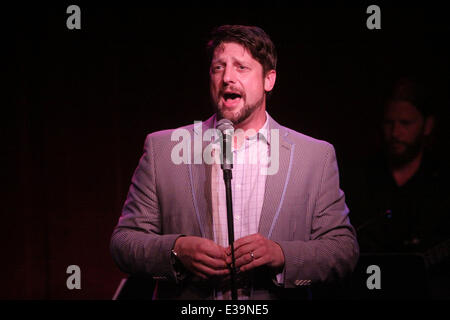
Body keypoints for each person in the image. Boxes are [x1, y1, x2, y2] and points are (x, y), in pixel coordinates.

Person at [110, 25, 359, 300]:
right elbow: (124, 242)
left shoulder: (313, 157)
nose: (227, 77)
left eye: (241, 67)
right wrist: (177, 250)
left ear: (269, 80)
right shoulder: (163, 150)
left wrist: (282, 255)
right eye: (218, 68)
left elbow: (343, 250)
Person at [342, 77, 450, 298]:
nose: (395, 132)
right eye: (389, 123)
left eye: (405, 123)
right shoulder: (360, 177)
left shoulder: (441, 182)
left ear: (427, 125)